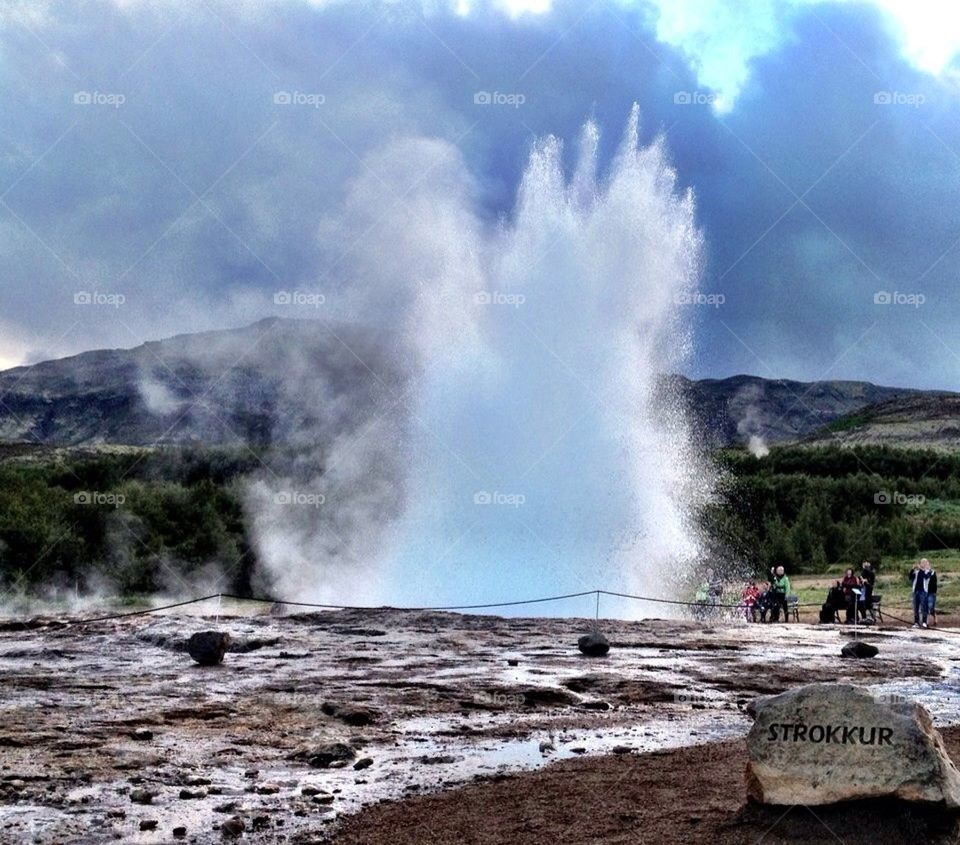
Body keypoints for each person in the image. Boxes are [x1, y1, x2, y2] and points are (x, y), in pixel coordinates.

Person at [909, 558, 937, 629]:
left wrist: (921, 569)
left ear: (927, 563)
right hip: (915, 591)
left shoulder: (929, 571)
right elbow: (910, 577)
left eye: (925, 562)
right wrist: (912, 569)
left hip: (923, 591)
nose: (923, 564)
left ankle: (924, 622)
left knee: (924, 607)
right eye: (922, 562)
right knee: (916, 608)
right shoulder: (917, 571)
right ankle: (916, 622)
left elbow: (926, 577)